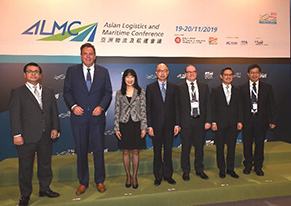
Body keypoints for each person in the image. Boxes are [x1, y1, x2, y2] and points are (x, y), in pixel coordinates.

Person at [63, 43, 112, 194]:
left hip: (97, 119)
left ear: (95, 55)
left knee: (98, 150)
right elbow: (67, 92)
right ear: (81, 55)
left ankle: (100, 180)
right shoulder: (72, 71)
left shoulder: (103, 71)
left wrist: (101, 107)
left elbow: (108, 92)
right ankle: (83, 182)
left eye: (91, 53)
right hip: (79, 119)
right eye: (85, 54)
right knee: (81, 150)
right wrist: (73, 106)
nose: (88, 56)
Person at [9, 62, 60, 206]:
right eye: (30, 71)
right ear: (25, 74)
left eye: (36, 71)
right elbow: (14, 115)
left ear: (40, 74)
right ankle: (25, 195)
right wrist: (16, 134)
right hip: (26, 136)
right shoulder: (17, 92)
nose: (33, 73)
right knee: (26, 167)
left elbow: (53, 112)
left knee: (45, 164)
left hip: (45, 135)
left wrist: (55, 128)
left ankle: (45, 189)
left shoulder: (49, 91)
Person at [146, 63, 180, 186]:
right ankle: (158, 176)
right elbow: (148, 109)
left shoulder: (173, 87)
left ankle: (168, 175)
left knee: (168, 151)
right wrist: (149, 126)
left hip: (170, 125)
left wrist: (177, 124)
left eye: (164, 70)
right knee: (157, 152)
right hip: (156, 126)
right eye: (159, 70)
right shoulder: (150, 87)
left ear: (168, 72)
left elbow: (177, 107)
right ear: (156, 73)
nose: (162, 73)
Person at [240, 64, 277, 176]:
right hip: (247, 121)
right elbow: (239, 106)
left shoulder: (267, 87)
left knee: (260, 144)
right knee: (247, 144)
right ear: (248, 74)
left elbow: (272, 105)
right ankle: (247, 165)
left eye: (256, 72)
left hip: (261, 121)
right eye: (252, 72)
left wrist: (273, 120)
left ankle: (258, 166)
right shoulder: (241, 88)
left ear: (260, 74)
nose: (254, 75)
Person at [177, 65, 211, 180]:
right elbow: (177, 108)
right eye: (189, 72)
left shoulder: (204, 86)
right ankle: (185, 171)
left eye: (193, 72)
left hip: (200, 122)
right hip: (186, 123)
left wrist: (208, 121)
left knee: (199, 148)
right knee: (185, 148)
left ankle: (199, 169)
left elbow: (208, 105)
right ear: (185, 74)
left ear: (196, 73)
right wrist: (178, 123)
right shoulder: (179, 88)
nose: (191, 74)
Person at [114, 69, 147, 189]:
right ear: (124, 79)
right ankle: (128, 176)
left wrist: (144, 127)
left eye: (132, 77)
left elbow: (143, 111)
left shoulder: (140, 92)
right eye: (127, 77)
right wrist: (116, 128)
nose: (129, 79)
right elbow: (117, 111)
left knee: (136, 151)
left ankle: (134, 176)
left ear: (135, 78)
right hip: (123, 125)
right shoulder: (119, 93)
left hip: (136, 124)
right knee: (126, 151)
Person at [211, 67, 243, 179]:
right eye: (226, 75)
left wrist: (239, 121)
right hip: (220, 124)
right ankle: (222, 169)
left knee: (231, 148)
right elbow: (212, 107)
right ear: (221, 76)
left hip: (233, 124)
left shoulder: (237, 90)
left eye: (230, 75)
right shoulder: (215, 90)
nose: (228, 77)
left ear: (233, 76)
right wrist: (213, 122)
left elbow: (240, 107)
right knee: (219, 148)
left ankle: (230, 169)